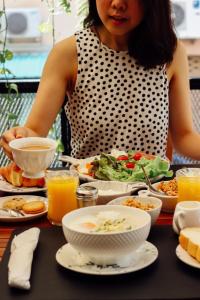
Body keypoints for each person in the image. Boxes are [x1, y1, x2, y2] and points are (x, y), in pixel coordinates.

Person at [1, 0, 200, 161]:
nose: (118, 4)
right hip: (88, 199)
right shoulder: (68, 53)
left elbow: (183, 137)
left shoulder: (170, 52)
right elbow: (35, 130)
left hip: (151, 197)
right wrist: (20, 138)